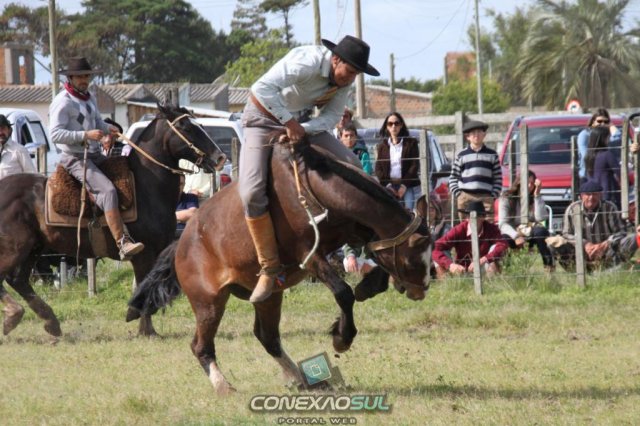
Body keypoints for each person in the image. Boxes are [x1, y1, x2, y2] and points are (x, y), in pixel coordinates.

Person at [239, 35, 379, 302]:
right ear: (335, 59)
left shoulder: (343, 80)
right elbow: (261, 88)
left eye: (356, 74)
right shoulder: (307, 62)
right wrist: (290, 123)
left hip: (298, 124)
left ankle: (372, 243)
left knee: (352, 165)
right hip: (261, 119)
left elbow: (331, 117)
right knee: (251, 192)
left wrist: (301, 128)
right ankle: (269, 268)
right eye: (350, 72)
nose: (351, 79)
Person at [49, 57, 144, 260]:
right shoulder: (62, 101)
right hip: (74, 158)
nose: (84, 80)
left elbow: (97, 122)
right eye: (80, 77)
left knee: (127, 173)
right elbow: (55, 134)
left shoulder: (89, 97)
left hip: (94, 154)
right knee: (108, 190)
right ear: (70, 78)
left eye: (87, 76)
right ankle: (122, 242)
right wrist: (85, 135)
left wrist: (109, 128)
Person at [547, 180, 639, 271]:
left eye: (595, 194)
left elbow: (620, 232)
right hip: (579, 252)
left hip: (608, 252)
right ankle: (575, 270)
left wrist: (604, 245)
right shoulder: (572, 209)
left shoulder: (610, 207)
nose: (591, 197)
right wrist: (585, 244)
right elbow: (566, 234)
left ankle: (613, 268)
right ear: (581, 196)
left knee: (634, 238)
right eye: (588, 194)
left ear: (600, 195)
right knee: (555, 243)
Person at [432, 200, 509, 277]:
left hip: (484, 268)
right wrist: (450, 265)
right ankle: (447, 283)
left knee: (494, 250)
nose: (472, 219)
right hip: (461, 270)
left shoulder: (491, 228)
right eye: (469, 216)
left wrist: (484, 259)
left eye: (477, 216)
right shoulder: (459, 229)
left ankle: (491, 283)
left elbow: (503, 245)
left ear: (483, 217)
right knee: (439, 257)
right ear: (467, 218)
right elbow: (435, 248)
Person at [498, 170, 554, 272]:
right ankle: (506, 270)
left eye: (532, 183)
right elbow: (502, 224)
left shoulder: (535, 198)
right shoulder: (506, 198)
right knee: (503, 239)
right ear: (519, 182)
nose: (529, 186)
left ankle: (549, 267)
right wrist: (516, 236)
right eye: (527, 182)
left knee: (541, 232)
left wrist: (537, 195)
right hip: (513, 234)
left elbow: (541, 218)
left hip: (530, 232)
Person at [449, 120, 502, 222]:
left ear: (484, 134)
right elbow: (453, 177)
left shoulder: (492, 154)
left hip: (486, 197)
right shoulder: (461, 155)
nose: (476, 135)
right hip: (465, 197)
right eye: (473, 133)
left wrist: (493, 195)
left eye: (479, 132)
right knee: (465, 226)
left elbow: (498, 177)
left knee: (487, 227)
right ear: (467, 137)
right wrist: (458, 194)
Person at [374, 112, 421, 210]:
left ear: (401, 125)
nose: (393, 126)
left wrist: (404, 186)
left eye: (396, 123)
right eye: (390, 124)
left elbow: (414, 165)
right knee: (389, 212)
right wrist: (388, 185)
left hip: (407, 185)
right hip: (388, 186)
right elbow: (378, 168)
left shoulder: (411, 143)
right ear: (387, 127)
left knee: (409, 212)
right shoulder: (382, 146)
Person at [577, 108, 621, 181]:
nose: (602, 124)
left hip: (605, 176)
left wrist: (611, 125)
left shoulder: (608, 135)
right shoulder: (584, 135)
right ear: (593, 122)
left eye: (606, 121)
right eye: (599, 121)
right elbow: (586, 155)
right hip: (587, 175)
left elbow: (618, 137)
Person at [585, 126, 621, 209]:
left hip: (592, 192)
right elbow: (619, 172)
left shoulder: (588, 156)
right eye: (608, 137)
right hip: (608, 192)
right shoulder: (607, 154)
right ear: (603, 139)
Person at [0, 114, 37, 180]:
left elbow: (32, 177)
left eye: (3, 128)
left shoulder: (19, 150)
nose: (0, 133)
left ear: (9, 130)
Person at [175, 174, 199, 239]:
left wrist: (168, 217)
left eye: (181, 184)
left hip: (184, 237)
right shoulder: (162, 198)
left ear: (184, 185)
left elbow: (192, 213)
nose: (178, 186)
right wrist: (183, 217)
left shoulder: (191, 197)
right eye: (176, 183)